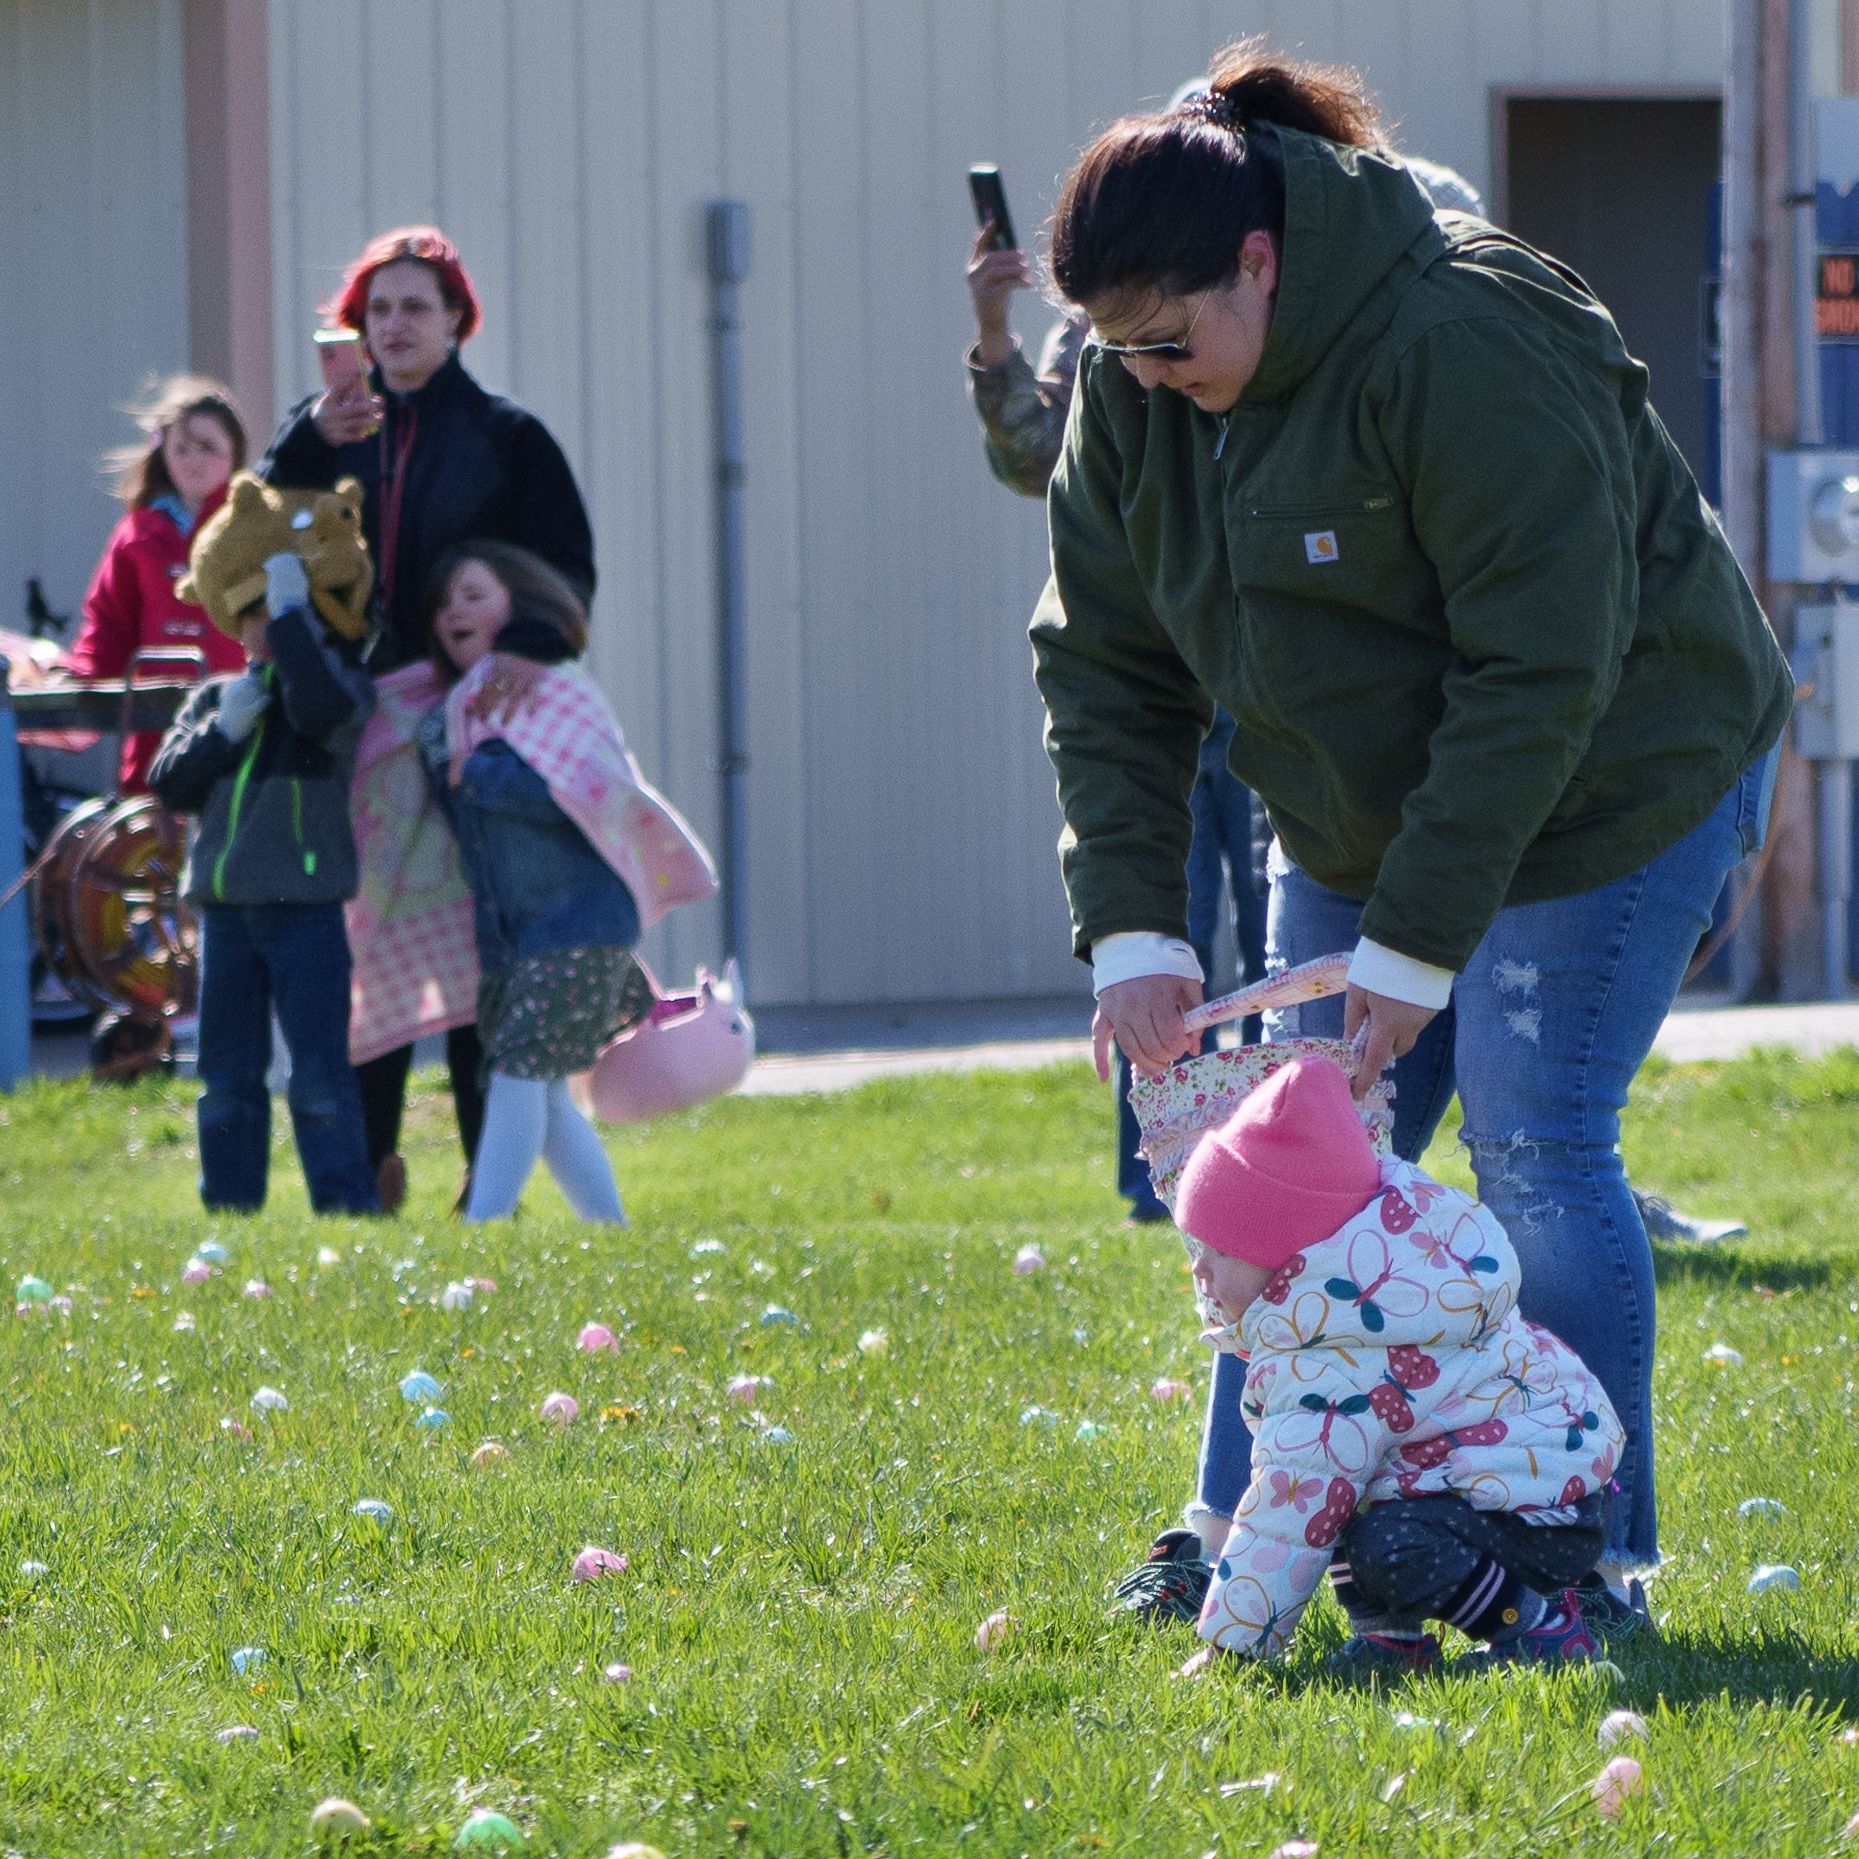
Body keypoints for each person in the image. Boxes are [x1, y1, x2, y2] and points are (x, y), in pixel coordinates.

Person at [1030, 43, 1791, 1638]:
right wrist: (1135, 930)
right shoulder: (1131, 380)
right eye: (1119, 351)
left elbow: (1539, 671)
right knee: (1290, 1168)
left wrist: (1412, 947)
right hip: (1365, 808)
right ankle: (1229, 1526)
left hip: (1609, 779)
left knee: (1529, 1140)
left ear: (1260, 260)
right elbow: (1103, 660)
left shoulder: (1466, 329)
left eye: (1171, 341)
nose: (1148, 377)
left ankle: (1585, 1560)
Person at [258, 226, 597, 1213]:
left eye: (415, 305)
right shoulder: (317, 430)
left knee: (479, 944)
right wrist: (310, 440)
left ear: (457, 320)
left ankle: (481, 1181)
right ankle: (368, 1171)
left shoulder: (506, 436)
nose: (393, 323)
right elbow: (258, 546)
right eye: (377, 307)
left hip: (472, 732)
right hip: (352, 730)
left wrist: (513, 662)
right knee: (365, 950)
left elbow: (568, 572)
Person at [965, 189, 1267, 1222]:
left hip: (1276, 669)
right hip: (1161, 672)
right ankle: (1162, 1171)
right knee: (1157, 926)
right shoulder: (1103, 323)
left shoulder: (1274, 312)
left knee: (1278, 933)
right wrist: (995, 333)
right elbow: (1030, 460)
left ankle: (1274, 1162)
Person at [1171, 1055, 1622, 1670]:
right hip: (1520, 1489)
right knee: (1353, 1502)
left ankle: (1539, 1630)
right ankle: (1394, 1644)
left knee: (1381, 1535)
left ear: (1286, 1255)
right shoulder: (1362, 1298)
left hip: (1537, 1511)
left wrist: (1234, 1649)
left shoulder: (1334, 1355)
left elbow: (1288, 1510)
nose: (1199, 1271)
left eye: (1220, 1250)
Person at [415, 543, 715, 1223]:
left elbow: (586, 788)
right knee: (544, 1089)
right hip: (520, 937)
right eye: (443, 603)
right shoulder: (459, 710)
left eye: (472, 593)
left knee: (518, 1074)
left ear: (517, 606)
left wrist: (484, 771)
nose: (453, 611)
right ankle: (610, 1231)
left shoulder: (554, 689)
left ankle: (481, 1225)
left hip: (579, 924)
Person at [147, 549, 379, 1215]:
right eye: (249, 613)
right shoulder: (216, 697)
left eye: (272, 611)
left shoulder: (330, 692)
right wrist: (221, 733)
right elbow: (171, 783)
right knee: (225, 1076)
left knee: (317, 1075)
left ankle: (345, 1206)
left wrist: (293, 620)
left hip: (304, 910)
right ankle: (230, 1207)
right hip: (225, 913)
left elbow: (322, 708)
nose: (260, 626)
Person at [63, 376, 249, 792]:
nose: (193, 460)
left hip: (231, 712)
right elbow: (109, 619)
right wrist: (87, 675)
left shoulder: (250, 525)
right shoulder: (137, 532)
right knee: (152, 836)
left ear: (234, 454)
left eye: (208, 448)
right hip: (151, 721)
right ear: (162, 451)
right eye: (181, 448)